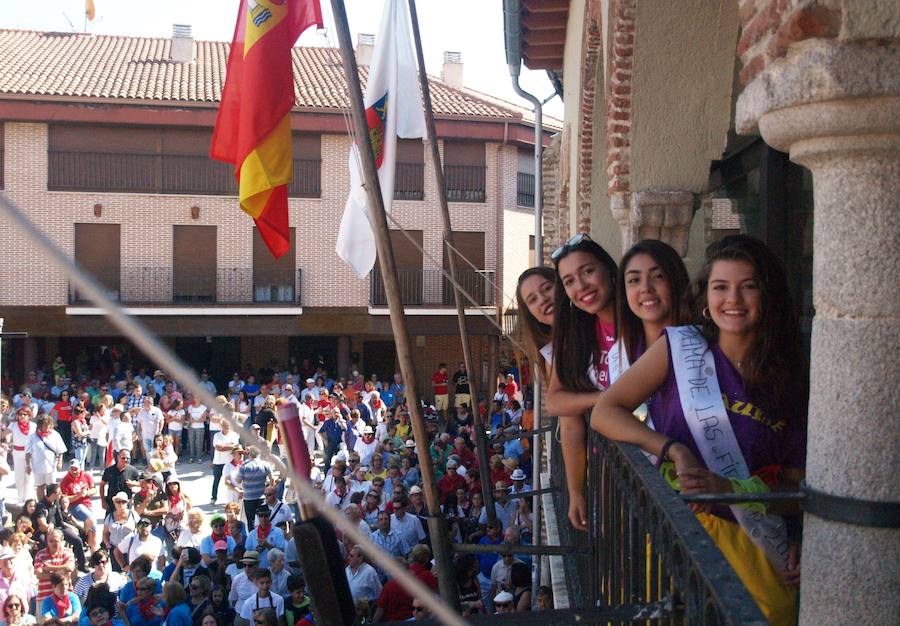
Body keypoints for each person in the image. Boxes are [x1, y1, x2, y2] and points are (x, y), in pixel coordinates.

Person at [591, 235, 807, 626]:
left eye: (748, 286)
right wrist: (673, 448)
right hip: (676, 538)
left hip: (753, 548)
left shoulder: (790, 380)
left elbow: (795, 489)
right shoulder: (680, 348)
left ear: (767, 296)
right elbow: (605, 411)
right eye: (721, 287)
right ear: (706, 297)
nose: (733, 299)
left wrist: (737, 494)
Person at [546, 234, 618, 531]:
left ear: (608, 270)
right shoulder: (577, 335)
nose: (581, 286)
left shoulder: (638, 324)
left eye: (587, 271)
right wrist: (576, 492)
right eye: (569, 281)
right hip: (607, 471)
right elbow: (556, 403)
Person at [26, 415, 68, 500]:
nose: (47, 427)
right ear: (40, 425)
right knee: (40, 486)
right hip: (37, 465)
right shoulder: (32, 436)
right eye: (45, 425)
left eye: (49, 424)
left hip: (51, 465)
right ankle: (41, 503)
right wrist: (27, 465)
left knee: (51, 486)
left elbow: (60, 450)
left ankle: (51, 503)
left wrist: (60, 462)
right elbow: (27, 453)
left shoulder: (55, 435)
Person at [60, 460, 99, 551]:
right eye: (72, 469)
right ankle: (84, 538)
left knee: (92, 528)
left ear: (80, 468)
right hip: (74, 505)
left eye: (76, 469)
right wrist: (78, 495)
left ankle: (92, 550)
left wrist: (86, 493)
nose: (74, 471)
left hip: (87, 504)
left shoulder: (86, 476)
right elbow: (64, 499)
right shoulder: (65, 481)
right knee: (91, 520)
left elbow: (94, 490)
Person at [235, 448, 273, 530]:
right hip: (262, 497)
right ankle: (265, 534)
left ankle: (253, 535)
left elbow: (238, 481)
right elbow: (272, 479)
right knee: (264, 519)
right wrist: (269, 491)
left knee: (251, 520)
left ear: (249, 454)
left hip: (248, 497)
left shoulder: (244, 466)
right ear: (259, 454)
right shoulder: (265, 464)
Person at [7, 407, 36, 505]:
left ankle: (28, 499)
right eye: (20, 414)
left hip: (30, 453)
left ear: (29, 416)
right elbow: (4, 434)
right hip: (17, 452)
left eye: (25, 414)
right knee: (19, 476)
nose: (22, 416)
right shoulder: (13, 425)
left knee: (29, 476)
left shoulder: (33, 426)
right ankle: (20, 498)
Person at [211, 421, 240, 503]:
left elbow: (235, 447)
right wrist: (230, 445)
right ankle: (214, 497)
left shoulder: (234, 435)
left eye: (227, 425)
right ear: (220, 426)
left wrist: (223, 446)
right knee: (216, 480)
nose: (226, 427)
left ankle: (233, 498)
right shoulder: (217, 435)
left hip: (230, 462)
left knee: (231, 481)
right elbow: (218, 448)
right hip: (218, 462)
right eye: (224, 425)